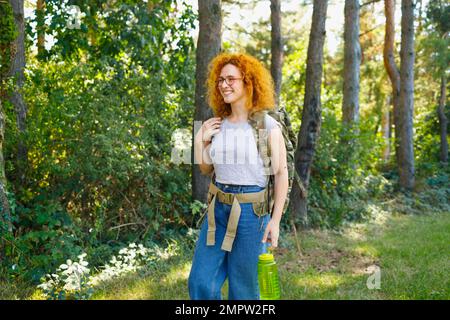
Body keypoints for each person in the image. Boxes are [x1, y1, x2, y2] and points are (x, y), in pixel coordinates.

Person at [189, 52, 289, 300]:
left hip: (251, 215)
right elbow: (206, 168)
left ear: (248, 82)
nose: (224, 85)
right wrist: (199, 140)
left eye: (231, 79)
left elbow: (281, 173)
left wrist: (274, 222)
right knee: (200, 281)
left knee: (244, 289)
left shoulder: (267, 125)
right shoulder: (217, 124)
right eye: (220, 80)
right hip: (217, 210)